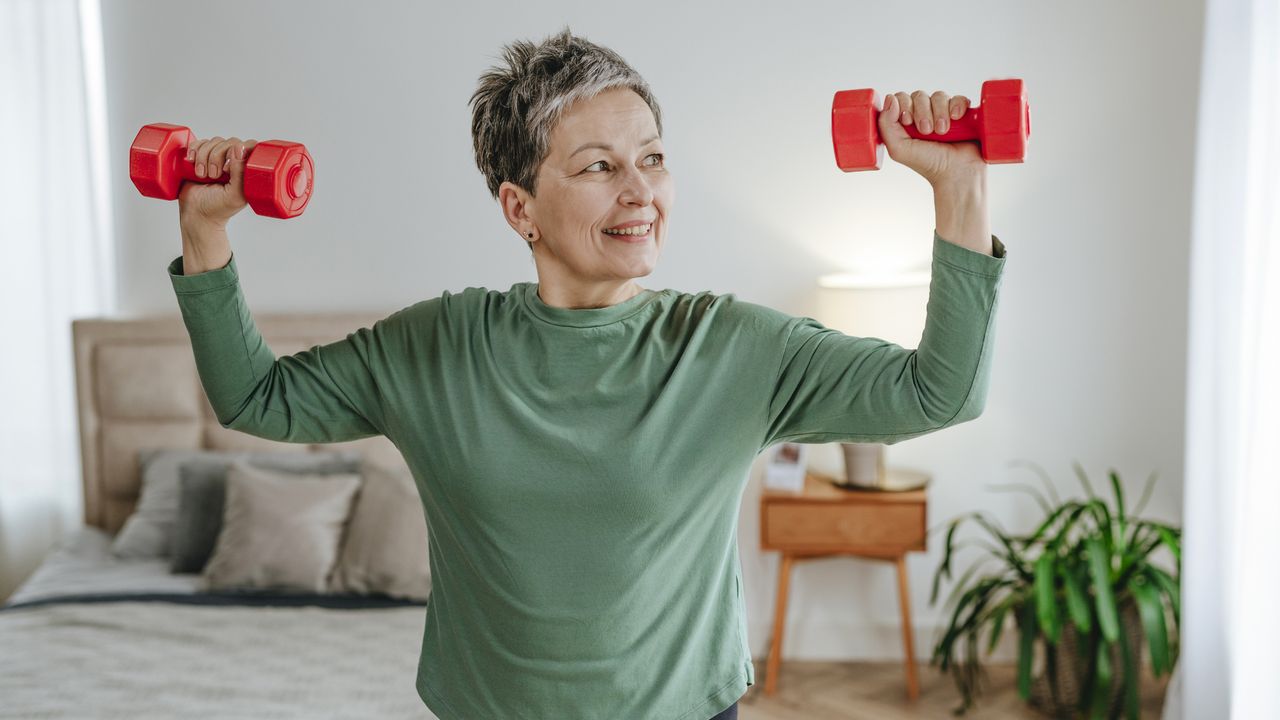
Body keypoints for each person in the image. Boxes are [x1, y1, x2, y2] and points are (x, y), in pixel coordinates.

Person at [168, 26, 1006, 720]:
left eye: (653, 158)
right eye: (600, 166)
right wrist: (205, 231)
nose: (641, 191)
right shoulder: (438, 346)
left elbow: (943, 390)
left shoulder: (734, 348)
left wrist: (960, 189)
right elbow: (256, 397)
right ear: (519, 208)